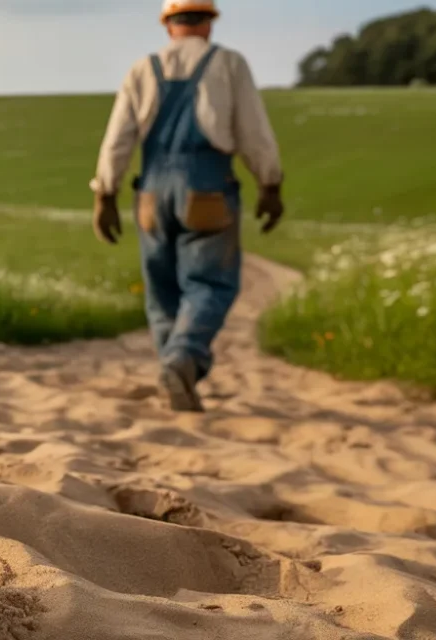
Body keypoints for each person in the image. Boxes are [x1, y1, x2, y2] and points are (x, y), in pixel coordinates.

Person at [88, 0, 285, 413]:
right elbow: (253, 131)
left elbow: (117, 138)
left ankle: (173, 372)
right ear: (209, 24)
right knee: (210, 283)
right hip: (208, 186)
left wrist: (105, 194)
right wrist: (269, 183)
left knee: (161, 289)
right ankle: (182, 360)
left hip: (151, 191)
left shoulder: (143, 69)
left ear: (168, 26)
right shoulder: (228, 64)